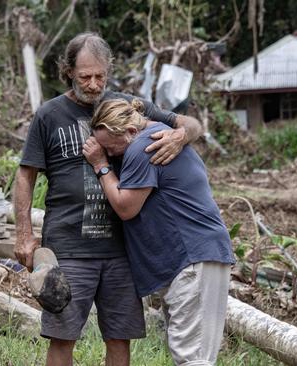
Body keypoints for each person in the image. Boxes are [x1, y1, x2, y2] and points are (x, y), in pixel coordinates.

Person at [13, 32, 202, 366]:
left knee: (119, 336)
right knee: (62, 336)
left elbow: (191, 123)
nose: (93, 84)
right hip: (69, 248)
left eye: (100, 76)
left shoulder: (130, 108)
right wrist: (24, 234)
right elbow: (25, 175)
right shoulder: (49, 114)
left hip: (122, 249)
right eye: (85, 76)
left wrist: (180, 136)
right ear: (68, 71)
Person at [82, 98, 235, 366]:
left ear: (129, 132)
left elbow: (126, 207)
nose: (111, 154)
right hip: (196, 257)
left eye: (111, 148)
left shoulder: (143, 147)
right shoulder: (158, 132)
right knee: (189, 352)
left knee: (193, 358)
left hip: (192, 257)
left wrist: (100, 165)